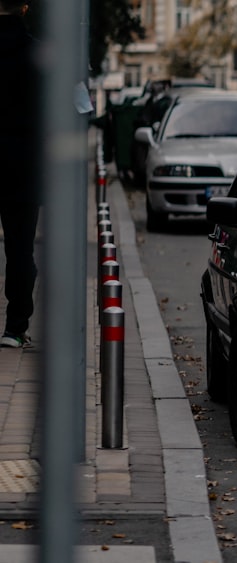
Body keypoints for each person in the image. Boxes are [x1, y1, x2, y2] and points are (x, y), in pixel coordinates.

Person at [0, 0, 40, 348]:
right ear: (25, 9)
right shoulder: (37, 56)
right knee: (20, 249)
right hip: (23, 168)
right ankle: (14, 327)